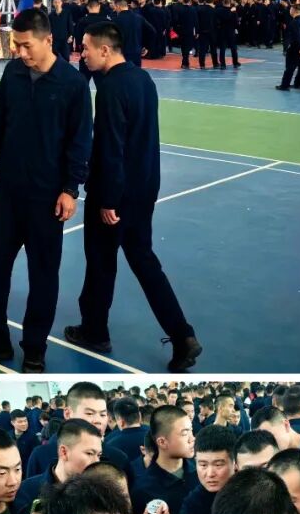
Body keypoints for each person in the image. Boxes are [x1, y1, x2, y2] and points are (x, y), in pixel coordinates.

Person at [0, 8, 92, 373]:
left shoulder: (72, 84)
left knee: (43, 275)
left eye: (26, 45)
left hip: (47, 197)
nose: (20, 52)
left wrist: (70, 189)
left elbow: (80, 141)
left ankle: (34, 347)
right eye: (15, 45)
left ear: (49, 40)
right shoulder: (13, 72)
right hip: (8, 191)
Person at [69, 22, 201, 372]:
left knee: (100, 262)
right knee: (144, 261)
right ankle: (182, 334)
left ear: (105, 50)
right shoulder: (142, 79)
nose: (82, 54)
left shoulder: (110, 90)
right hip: (144, 188)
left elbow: (111, 148)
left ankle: (94, 331)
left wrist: (109, 199)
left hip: (115, 194)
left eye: (86, 48)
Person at [129, 405, 197, 514]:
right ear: (162, 442)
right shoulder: (143, 489)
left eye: (191, 430)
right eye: (185, 433)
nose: (192, 438)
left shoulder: (200, 472)